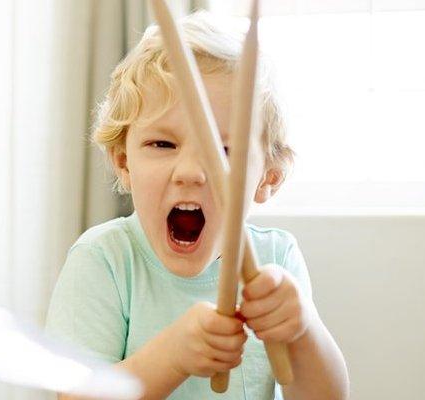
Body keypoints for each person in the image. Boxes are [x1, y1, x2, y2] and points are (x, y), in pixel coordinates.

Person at [45, 11, 349, 399]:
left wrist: (302, 328)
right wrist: (171, 356)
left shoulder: (277, 259)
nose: (191, 172)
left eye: (224, 151)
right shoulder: (103, 260)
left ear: (268, 177)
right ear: (123, 161)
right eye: (162, 144)